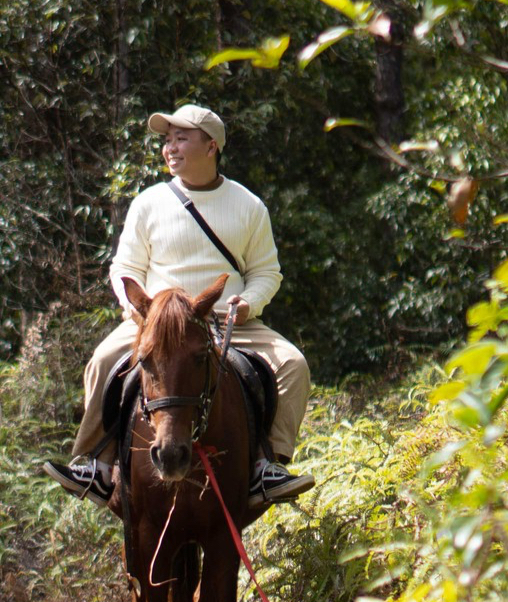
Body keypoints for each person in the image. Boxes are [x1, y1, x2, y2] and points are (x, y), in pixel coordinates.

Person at [43, 105, 315, 516]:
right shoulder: (149, 202)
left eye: (181, 138)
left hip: (223, 320)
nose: (170, 147)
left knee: (294, 365)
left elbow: (266, 272)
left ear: (212, 146)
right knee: (102, 361)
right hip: (159, 323)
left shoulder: (249, 205)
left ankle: (268, 466)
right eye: (167, 139)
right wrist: (137, 309)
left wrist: (249, 304)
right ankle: (95, 464)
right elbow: (125, 268)